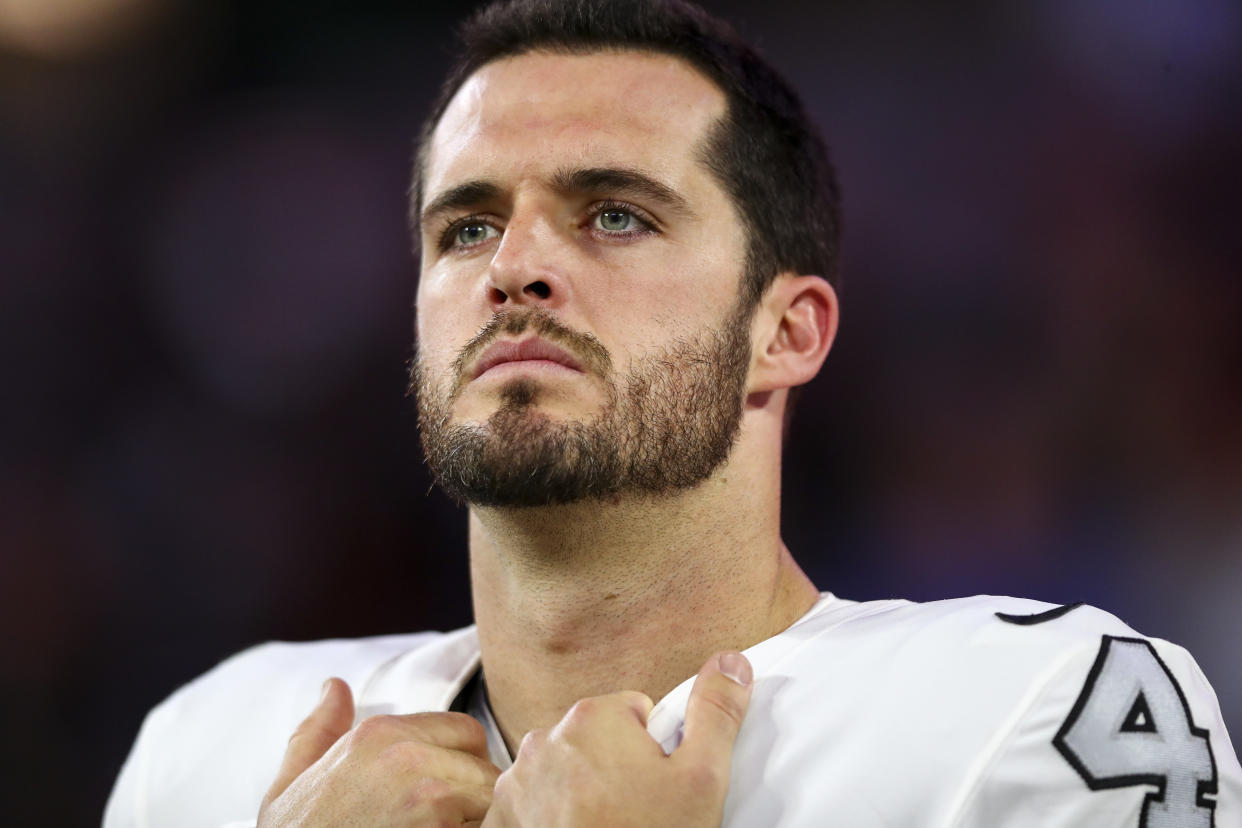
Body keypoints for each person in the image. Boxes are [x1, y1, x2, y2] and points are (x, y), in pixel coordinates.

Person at [106, 0, 1241, 825]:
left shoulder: (1034, 709)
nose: (514, 267)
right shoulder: (223, 743)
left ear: (785, 332)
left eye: (612, 215)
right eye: (465, 227)